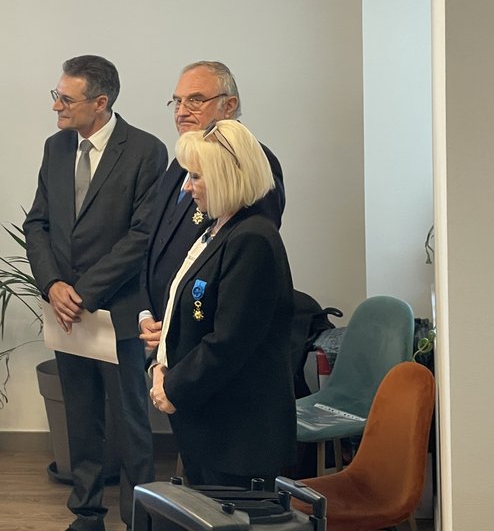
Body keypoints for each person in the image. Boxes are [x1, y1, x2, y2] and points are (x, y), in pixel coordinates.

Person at [23, 55, 167, 531]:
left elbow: (142, 237)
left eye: (66, 98)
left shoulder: (146, 150)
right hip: (66, 310)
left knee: (129, 423)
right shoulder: (55, 147)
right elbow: (38, 222)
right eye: (56, 95)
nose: (56, 107)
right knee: (81, 420)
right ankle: (86, 514)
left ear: (100, 103)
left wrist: (82, 291)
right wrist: (53, 285)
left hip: (118, 309)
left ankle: (137, 516)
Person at [148, 119, 297, 486]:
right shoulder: (217, 229)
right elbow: (183, 313)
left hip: (239, 432)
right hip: (211, 423)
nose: (187, 187)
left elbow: (229, 340)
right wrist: (160, 365)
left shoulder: (253, 239)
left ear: (226, 176)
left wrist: (173, 385)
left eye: (196, 177)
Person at [139, 61, 285, 356]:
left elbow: (244, 268)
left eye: (195, 100)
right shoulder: (180, 162)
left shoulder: (250, 165)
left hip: (206, 347)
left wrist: (176, 322)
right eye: (177, 102)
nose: (181, 112)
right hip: (164, 339)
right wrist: (146, 313)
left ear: (229, 105)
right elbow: (153, 247)